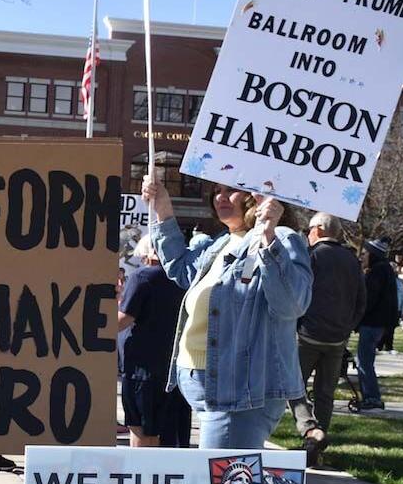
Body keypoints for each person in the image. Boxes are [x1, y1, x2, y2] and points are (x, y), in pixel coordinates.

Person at [141, 176, 311, 450]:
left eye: (231, 190)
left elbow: (292, 304)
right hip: (211, 387)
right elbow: (183, 270)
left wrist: (268, 236)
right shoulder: (224, 241)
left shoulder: (281, 238)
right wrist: (162, 206)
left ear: (258, 196)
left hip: (240, 393)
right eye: (216, 191)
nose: (220, 197)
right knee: (220, 483)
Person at [286, 213, 366, 466]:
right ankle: (315, 451)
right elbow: (361, 300)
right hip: (337, 338)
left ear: (318, 230)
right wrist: (347, 327)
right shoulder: (353, 260)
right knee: (325, 393)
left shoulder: (312, 256)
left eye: (309, 229)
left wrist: (297, 324)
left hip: (308, 334)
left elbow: (299, 292)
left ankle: (309, 429)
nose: (307, 234)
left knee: (292, 385)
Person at [117, 236, 190, 448]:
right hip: (175, 368)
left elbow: (122, 320)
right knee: (172, 433)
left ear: (148, 252)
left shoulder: (142, 277)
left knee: (141, 429)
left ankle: (142, 477)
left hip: (142, 369)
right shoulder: (185, 279)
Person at [356, 239, 400, 410]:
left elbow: (369, 299)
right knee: (365, 360)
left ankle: (372, 397)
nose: (363, 256)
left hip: (372, 323)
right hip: (380, 323)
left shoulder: (377, 272)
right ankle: (370, 395)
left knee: (364, 361)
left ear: (373, 255)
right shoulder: (386, 270)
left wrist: (357, 316)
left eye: (365, 253)